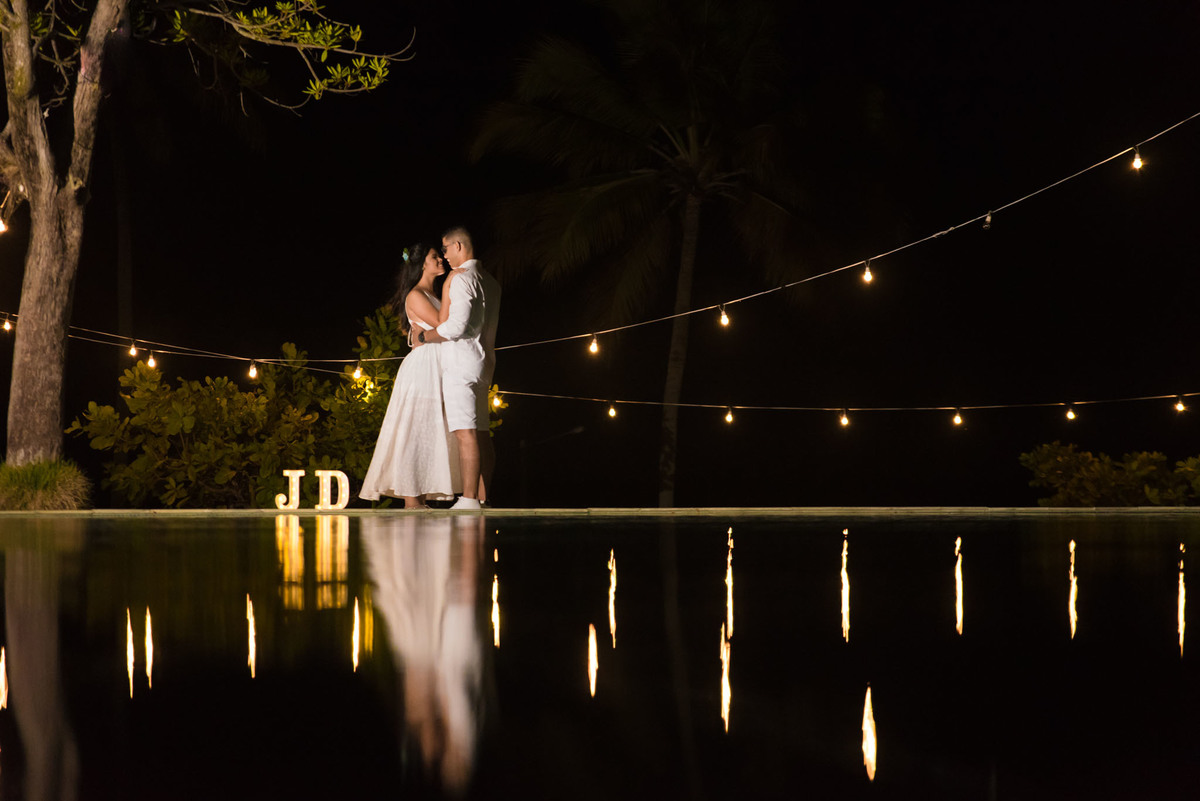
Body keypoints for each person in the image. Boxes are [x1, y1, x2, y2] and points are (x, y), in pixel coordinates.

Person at [360, 243, 462, 508]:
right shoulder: (416, 295)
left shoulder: (432, 293)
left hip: (439, 364)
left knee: (432, 427)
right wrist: (451, 284)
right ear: (422, 265)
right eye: (434, 257)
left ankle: (421, 496)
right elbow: (444, 324)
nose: (440, 259)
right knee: (415, 428)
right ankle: (411, 499)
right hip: (424, 366)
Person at [417, 226, 501, 510]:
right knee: (481, 433)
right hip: (483, 364)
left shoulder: (461, 278)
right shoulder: (490, 281)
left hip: (462, 364)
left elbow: (455, 327)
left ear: (458, 246)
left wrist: (423, 336)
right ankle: (482, 497)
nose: (445, 255)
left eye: (445, 249)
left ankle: (468, 499)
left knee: (465, 432)